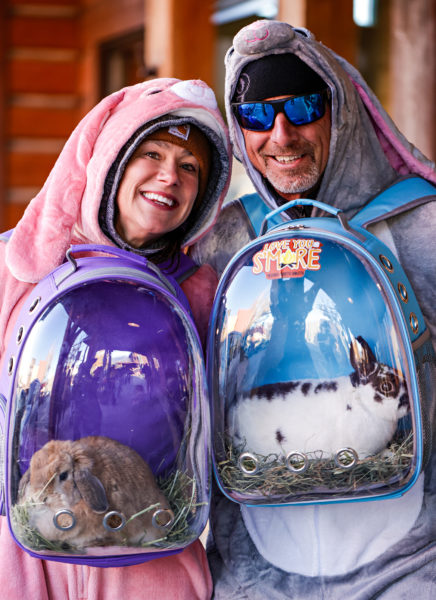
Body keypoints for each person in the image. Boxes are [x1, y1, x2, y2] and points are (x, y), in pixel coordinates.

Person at [191, 19, 436, 599]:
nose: (281, 134)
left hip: (408, 562)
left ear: (339, 110)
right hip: (258, 569)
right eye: (256, 115)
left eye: (303, 107)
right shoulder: (222, 241)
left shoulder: (420, 223)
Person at [0, 77, 231, 599]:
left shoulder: (200, 289)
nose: (169, 176)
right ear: (112, 159)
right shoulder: (18, 265)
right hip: (26, 549)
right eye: (152, 153)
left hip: (151, 550)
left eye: (190, 167)